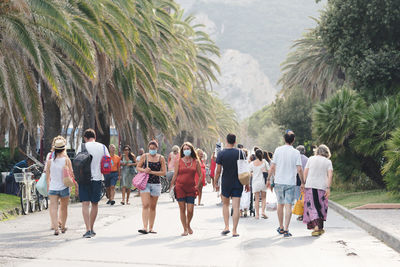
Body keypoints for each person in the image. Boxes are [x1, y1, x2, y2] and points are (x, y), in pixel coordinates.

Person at [268, 130, 304, 237]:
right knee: (288, 205)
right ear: (293, 140)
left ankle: (281, 227)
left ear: (284, 139)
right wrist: (303, 182)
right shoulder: (296, 153)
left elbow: (272, 166)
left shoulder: (278, 150)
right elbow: (299, 169)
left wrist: (268, 179)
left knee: (280, 204)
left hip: (279, 182)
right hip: (290, 183)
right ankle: (287, 229)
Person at [76, 128, 110, 238]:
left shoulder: (82, 146)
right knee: (95, 203)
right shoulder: (103, 147)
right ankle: (92, 227)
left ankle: (87, 229)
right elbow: (108, 160)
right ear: (94, 137)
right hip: (97, 178)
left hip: (84, 179)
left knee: (85, 204)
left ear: (85, 138)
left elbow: (77, 162)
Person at [214, 133, 248, 237]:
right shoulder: (241, 153)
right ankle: (234, 230)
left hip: (226, 182)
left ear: (226, 140)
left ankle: (226, 226)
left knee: (225, 205)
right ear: (235, 141)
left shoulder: (221, 154)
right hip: (238, 182)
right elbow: (245, 169)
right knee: (236, 207)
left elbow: (218, 171)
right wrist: (247, 183)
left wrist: (215, 182)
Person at [46, 137, 77, 235]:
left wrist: (48, 187)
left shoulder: (50, 162)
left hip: (53, 188)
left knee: (53, 208)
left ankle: (56, 229)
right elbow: (71, 174)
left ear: (54, 149)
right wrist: (73, 185)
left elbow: (47, 177)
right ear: (64, 149)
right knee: (64, 208)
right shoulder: (66, 160)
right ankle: (63, 227)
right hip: (64, 187)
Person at [170, 142, 202, 236]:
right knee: (182, 208)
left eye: (188, 149)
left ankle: (188, 225)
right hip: (180, 187)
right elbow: (175, 175)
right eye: (184, 149)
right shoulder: (178, 161)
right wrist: (171, 186)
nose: (186, 150)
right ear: (182, 151)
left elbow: (200, 176)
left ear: (191, 150)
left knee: (190, 210)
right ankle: (185, 229)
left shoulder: (196, 161)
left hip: (191, 188)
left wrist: (197, 185)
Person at [136, 140, 166, 234]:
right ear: (148, 148)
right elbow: (138, 167)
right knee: (145, 205)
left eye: (154, 148)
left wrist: (152, 172)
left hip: (156, 184)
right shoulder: (144, 156)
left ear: (157, 148)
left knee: (153, 207)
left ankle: (151, 228)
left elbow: (163, 172)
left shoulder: (161, 158)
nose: (152, 150)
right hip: (145, 183)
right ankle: (145, 227)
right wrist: (144, 170)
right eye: (150, 148)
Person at [303, 145, 333, 236]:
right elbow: (330, 175)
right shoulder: (328, 162)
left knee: (312, 206)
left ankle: (316, 227)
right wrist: (328, 188)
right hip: (322, 187)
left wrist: (304, 183)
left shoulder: (311, 159)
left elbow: (305, 172)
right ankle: (319, 227)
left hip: (310, 185)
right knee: (320, 206)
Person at [249, 149, 269, 219]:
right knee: (263, 198)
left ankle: (257, 215)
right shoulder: (265, 162)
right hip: (263, 182)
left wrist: (253, 174)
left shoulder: (252, 163)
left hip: (255, 183)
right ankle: (263, 212)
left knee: (256, 199)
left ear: (255, 155)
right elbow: (269, 171)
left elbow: (249, 173)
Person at [295, 145, 308, 221]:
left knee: (298, 196)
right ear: (304, 151)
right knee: (305, 196)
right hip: (306, 178)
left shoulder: (295, 159)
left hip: (297, 178)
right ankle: (305, 213)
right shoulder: (307, 159)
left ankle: (301, 214)